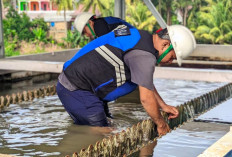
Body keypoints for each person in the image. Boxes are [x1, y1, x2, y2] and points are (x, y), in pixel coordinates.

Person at [57, 24, 196, 136]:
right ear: (165, 45)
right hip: (76, 88)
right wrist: (161, 124)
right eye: (172, 57)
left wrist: (163, 106)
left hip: (82, 86)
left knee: (101, 126)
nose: (170, 61)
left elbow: (145, 82)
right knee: (102, 134)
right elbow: (146, 98)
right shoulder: (144, 57)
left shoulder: (140, 37)